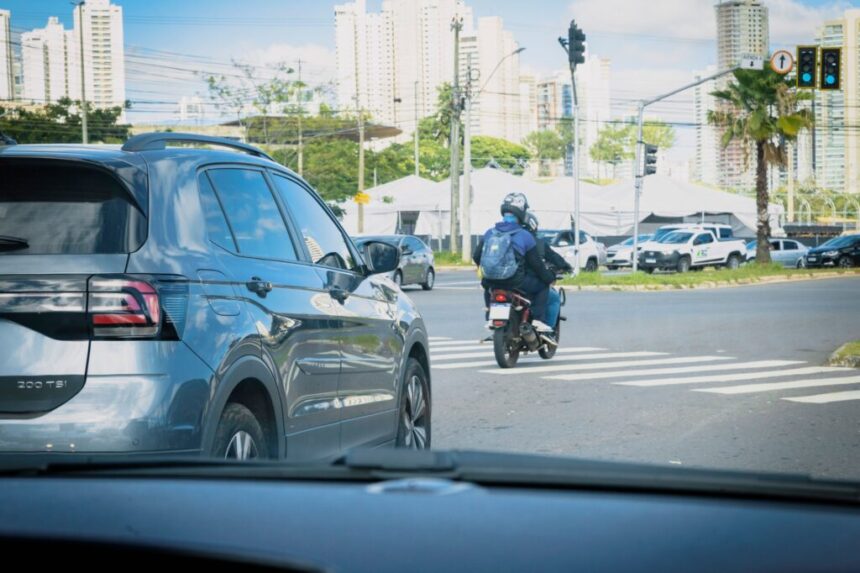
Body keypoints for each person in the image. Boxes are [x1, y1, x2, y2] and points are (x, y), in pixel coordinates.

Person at [473, 193, 556, 332]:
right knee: (542, 286)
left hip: (490, 281)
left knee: (489, 286)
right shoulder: (524, 235)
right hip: (516, 281)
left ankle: (490, 316)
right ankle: (538, 320)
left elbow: (476, 257)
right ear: (522, 213)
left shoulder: (489, 233)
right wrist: (549, 278)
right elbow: (536, 264)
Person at [523, 212, 572, 331]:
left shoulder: (506, 239)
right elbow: (555, 259)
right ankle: (547, 330)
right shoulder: (537, 243)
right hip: (528, 284)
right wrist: (567, 267)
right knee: (554, 297)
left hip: (507, 284)